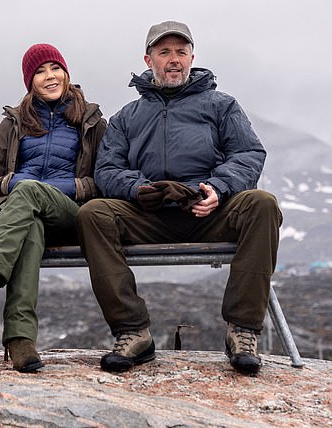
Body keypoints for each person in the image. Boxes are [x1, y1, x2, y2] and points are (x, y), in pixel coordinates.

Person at [76, 21, 282, 376]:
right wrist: (138, 189)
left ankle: (242, 331)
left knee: (262, 204)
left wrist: (217, 188)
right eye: (164, 52)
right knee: (94, 213)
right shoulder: (127, 117)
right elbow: (107, 170)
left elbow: (248, 153)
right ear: (148, 59)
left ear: (192, 58)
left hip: (206, 210)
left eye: (181, 52)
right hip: (149, 214)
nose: (174, 59)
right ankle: (132, 332)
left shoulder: (222, 105)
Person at [0, 44, 106, 373]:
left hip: (69, 213)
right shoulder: (14, 122)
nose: (49, 77)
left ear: (66, 73)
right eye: (40, 72)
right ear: (30, 82)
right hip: (20, 215)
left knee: (30, 192)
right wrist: (11, 185)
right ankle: (20, 340)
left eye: (54, 68)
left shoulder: (90, 120)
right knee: (29, 221)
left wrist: (63, 187)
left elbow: (102, 179)